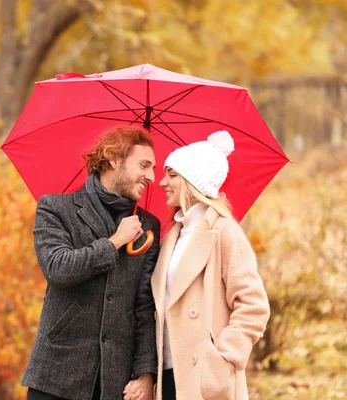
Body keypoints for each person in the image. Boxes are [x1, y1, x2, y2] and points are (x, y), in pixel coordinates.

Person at [21, 126, 161, 400]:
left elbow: (145, 304)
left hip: (114, 383)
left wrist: (146, 373)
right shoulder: (55, 209)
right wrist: (115, 242)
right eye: (144, 165)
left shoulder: (147, 225)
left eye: (154, 168)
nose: (152, 177)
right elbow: (58, 267)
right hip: (55, 375)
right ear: (113, 159)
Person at [149, 131, 270, 400]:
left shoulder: (224, 232)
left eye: (172, 175)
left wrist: (224, 357)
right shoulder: (172, 236)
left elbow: (254, 305)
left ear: (193, 181)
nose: (161, 182)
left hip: (205, 378)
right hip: (167, 373)